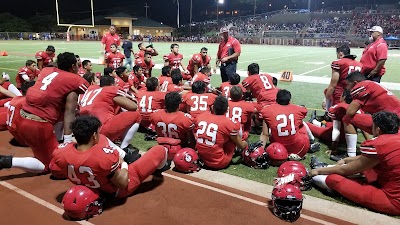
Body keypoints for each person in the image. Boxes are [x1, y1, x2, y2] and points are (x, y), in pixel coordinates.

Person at [0, 52, 90, 173]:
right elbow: (70, 111)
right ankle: (6, 161)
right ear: (74, 65)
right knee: (52, 166)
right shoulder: (75, 80)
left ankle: (57, 141)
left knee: (59, 108)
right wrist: (68, 141)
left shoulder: (46, 70)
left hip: (22, 118)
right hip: (39, 125)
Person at [49, 115, 168, 199]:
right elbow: (122, 183)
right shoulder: (102, 157)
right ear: (94, 135)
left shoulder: (61, 151)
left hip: (88, 183)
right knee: (159, 150)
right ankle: (159, 171)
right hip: (114, 191)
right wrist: (124, 164)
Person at [310, 111, 400, 216]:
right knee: (367, 169)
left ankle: (323, 168)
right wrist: (347, 160)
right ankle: (326, 167)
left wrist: (318, 171)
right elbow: (374, 158)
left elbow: (346, 170)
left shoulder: (379, 144)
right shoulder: (394, 138)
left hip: (392, 200)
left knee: (332, 179)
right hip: (388, 182)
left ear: (378, 129)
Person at [343, 71, 400, 158]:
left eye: (348, 84)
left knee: (346, 118)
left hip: (392, 122)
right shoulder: (371, 84)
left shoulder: (361, 87)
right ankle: (372, 142)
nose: (347, 87)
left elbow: (350, 112)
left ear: (355, 83)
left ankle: (351, 154)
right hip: (392, 119)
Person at [79, 75, 140, 152]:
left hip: (82, 128)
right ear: (112, 85)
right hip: (100, 128)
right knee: (136, 115)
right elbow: (133, 107)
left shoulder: (91, 89)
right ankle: (124, 147)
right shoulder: (110, 90)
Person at [194, 95, 248, 170]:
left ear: (212, 107)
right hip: (218, 162)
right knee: (233, 139)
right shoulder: (228, 122)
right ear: (227, 110)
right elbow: (241, 145)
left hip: (200, 158)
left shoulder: (200, 117)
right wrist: (245, 143)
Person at [259, 89, 310, 159]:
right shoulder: (299, 109)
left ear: (276, 100)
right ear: (289, 101)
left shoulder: (266, 110)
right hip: (298, 148)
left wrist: (260, 150)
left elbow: (265, 134)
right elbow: (303, 112)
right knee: (301, 124)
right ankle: (312, 140)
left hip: (278, 149)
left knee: (272, 130)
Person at [325, 44, 363, 110]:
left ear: (340, 53)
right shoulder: (359, 64)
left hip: (340, 93)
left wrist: (326, 99)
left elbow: (333, 85)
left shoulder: (339, 62)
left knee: (336, 114)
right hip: (354, 94)